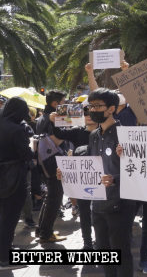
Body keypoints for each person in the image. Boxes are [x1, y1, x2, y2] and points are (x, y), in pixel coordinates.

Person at [87, 88, 136, 276]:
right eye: (91, 106)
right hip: (97, 205)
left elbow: (137, 170)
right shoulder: (93, 135)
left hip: (120, 205)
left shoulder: (126, 135)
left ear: (111, 109)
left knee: (121, 253)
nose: (93, 110)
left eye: (98, 106)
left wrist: (115, 178)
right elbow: (92, 167)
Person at [51, 103, 96, 250]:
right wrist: (54, 120)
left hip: (102, 179)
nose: (89, 116)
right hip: (81, 178)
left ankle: (101, 240)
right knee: (84, 211)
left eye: (92, 112)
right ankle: (87, 242)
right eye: (85, 113)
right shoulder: (77, 131)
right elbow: (59, 134)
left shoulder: (106, 132)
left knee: (100, 212)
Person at [0, 97, 33, 270]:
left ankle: (4, 250)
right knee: (9, 219)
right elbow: (26, 155)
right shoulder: (16, 130)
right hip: (13, 180)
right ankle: (5, 258)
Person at [35, 89, 68, 243]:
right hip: (53, 161)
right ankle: (46, 233)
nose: (65, 105)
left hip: (45, 161)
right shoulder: (52, 118)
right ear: (55, 104)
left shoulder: (43, 117)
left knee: (50, 197)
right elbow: (54, 140)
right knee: (55, 197)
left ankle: (41, 230)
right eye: (63, 102)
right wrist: (69, 134)